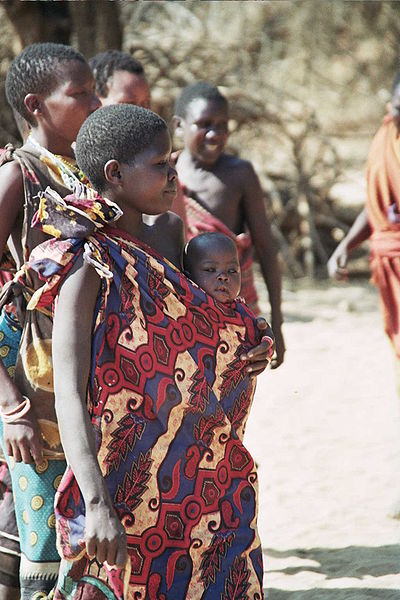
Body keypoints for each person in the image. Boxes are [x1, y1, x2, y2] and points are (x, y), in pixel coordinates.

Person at [27, 103, 266, 598]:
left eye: (172, 162)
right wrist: (96, 504)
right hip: (120, 479)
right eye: (160, 165)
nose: (173, 175)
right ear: (114, 173)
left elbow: (193, 325)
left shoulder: (168, 235)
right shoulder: (87, 262)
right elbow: (70, 393)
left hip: (198, 471)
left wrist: (248, 343)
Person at [0, 42, 100, 597]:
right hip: (35, 392)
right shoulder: (20, 177)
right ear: (37, 105)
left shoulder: (88, 171)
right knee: (46, 546)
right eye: (79, 94)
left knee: (93, 541)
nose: (94, 101)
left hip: (93, 380)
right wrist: (10, 407)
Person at [173, 81, 285, 368]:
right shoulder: (166, 173)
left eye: (223, 125)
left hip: (237, 300)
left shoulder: (240, 174)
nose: (215, 134)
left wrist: (277, 322)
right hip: (182, 306)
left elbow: (265, 247)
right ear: (179, 126)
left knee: (238, 377)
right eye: (204, 124)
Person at [89, 49, 188, 236]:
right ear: (96, 102)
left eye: (146, 104)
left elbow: (175, 231)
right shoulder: (68, 165)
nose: (140, 113)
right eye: (128, 103)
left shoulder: (160, 165)